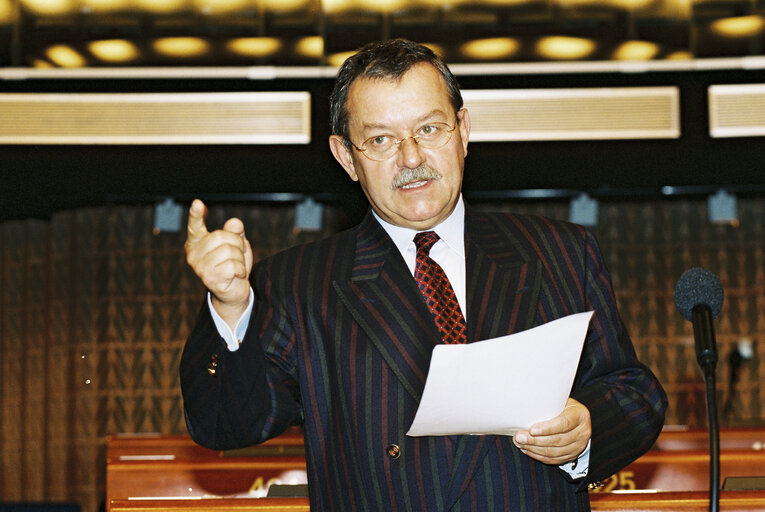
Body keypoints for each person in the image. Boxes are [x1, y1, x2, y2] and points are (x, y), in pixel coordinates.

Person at [181, 38, 667, 511]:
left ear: (464, 131)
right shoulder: (295, 283)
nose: (411, 158)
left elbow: (632, 393)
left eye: (430, 129)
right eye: (380, 140)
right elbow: (226, 425)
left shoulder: (560, 252)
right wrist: (230, 310)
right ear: (346, 157)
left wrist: (586, 429)